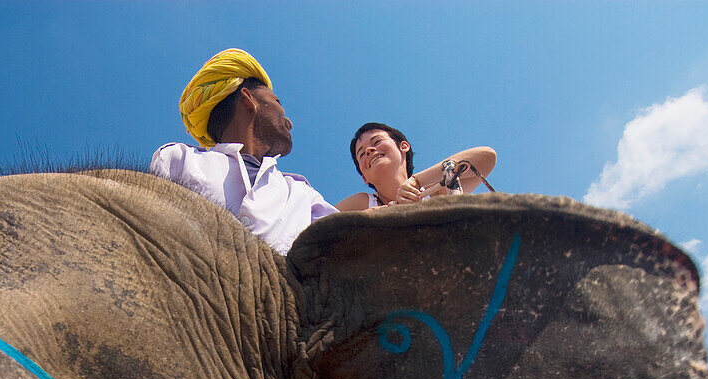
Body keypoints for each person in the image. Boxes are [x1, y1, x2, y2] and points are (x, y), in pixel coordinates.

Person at [150, 49, 337, 255]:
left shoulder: (302, 194)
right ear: (249, 100)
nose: (288, 121)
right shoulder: (179, 160)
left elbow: (350, 245)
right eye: (277, 102)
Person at [335, 122, 497, 212]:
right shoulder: (362, 203)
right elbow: (316, 224)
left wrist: (417, 181)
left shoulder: (435, 193)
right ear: (364, 177)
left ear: (403, 146)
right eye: (361, 154)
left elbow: (487, 157)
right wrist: (364, 219)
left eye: (377, 142)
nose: (369, 150)